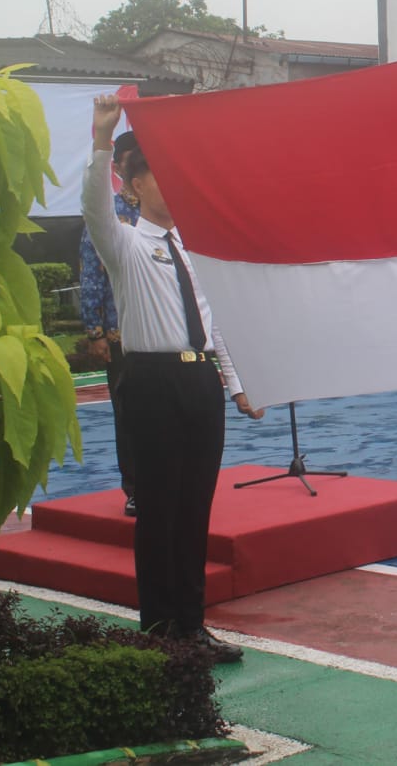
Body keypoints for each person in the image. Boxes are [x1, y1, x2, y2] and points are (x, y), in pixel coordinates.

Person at [83, 94, 264, 663]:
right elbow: (93, 209)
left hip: (199, 383)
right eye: (159, 177)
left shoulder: (190, 248)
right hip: (153, 383)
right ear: (133, 185)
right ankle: (161, 632)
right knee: (159, 512)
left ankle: (192, 626)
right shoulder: (126, 244)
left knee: (194, 511)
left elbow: (213, 327)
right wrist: (101, 140)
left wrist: (237, 385)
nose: (173, 187)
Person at [79, 129, 142, 518]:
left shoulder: (164, 213)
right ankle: (135, 486)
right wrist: (95, 331)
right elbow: (92, 275)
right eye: (130, 161)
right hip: (121, 334)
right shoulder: (108, 216)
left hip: (163, 336)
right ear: (118, 167)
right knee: (128, 412)